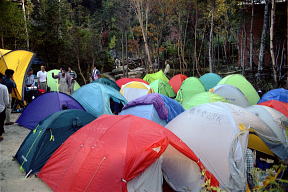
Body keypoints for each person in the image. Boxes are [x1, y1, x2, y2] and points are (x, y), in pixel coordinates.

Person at [0, 77, 9, 141]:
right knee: (1, 121)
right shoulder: (3, 87)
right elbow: (6, 100)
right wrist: (6, 104)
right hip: (1, 108)